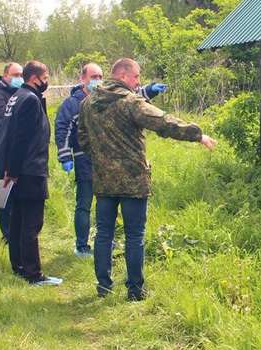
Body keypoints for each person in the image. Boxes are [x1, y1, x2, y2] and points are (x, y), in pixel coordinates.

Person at [79, 58, 216, 300]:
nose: (138, 82)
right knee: (134, 235)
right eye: (136, 77)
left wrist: (102, 160)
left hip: (103, 181)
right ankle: (135, 290)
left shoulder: (88, 103)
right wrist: (197, 135)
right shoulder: (130, 102)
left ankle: (103, 287)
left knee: (103, 234)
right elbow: (163, 122)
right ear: (123, 76)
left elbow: (82, 139)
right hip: (133, 181)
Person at [55, 62, 167, 257]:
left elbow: (131, 100)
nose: (97, 80)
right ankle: (82, 246)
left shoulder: (105, 97)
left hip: (107, 163)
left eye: (100, 76)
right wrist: (65, 155)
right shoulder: (74, 104)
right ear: (83, 79)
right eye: (93, 77)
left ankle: (107, 241)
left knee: (105, 204)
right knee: (84, 202)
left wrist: (150, 90)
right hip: (84, 159)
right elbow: (62, 130)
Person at [0, 60, 62, 286]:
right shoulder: (30, 100)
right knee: (31, 223)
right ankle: (34, 273)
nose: (47, 81)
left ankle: (19, 266)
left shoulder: (16, 96)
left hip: (17, 169)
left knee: (18, 221)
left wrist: (8, 169)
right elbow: (20, 139)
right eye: (46, 77)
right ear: (35, 78)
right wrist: (13, 171)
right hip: (29, 170)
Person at [0, 62, 24, 243]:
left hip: (15, 152)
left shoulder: (15, 93)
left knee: (15, 193)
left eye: (21, 75)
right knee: (4, 191)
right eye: (15, 74)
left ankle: (16, 228)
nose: (19, 78)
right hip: (3, 153)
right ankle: (6, 232)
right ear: (5, 75)